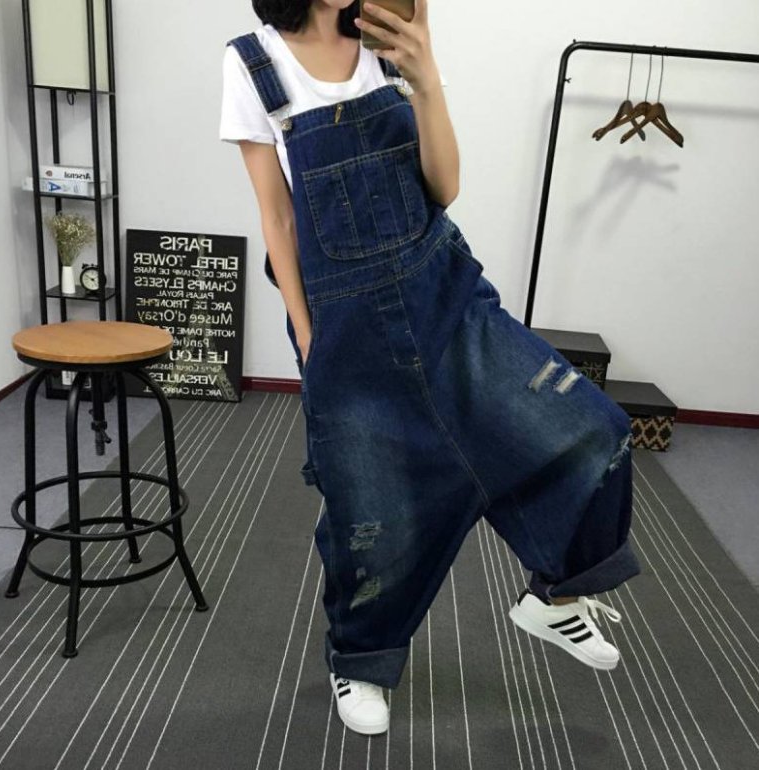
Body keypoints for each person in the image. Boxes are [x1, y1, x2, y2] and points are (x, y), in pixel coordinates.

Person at [220, 0, 641, 737]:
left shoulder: (393, 32)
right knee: (371, 508)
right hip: (344, 323)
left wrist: (425, 75)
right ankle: (361, 661)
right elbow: (277, 218)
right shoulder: (252, 63)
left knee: (590, 428)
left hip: (444, 294)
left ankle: (558, 596)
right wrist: (310, 338)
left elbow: (444, 188)